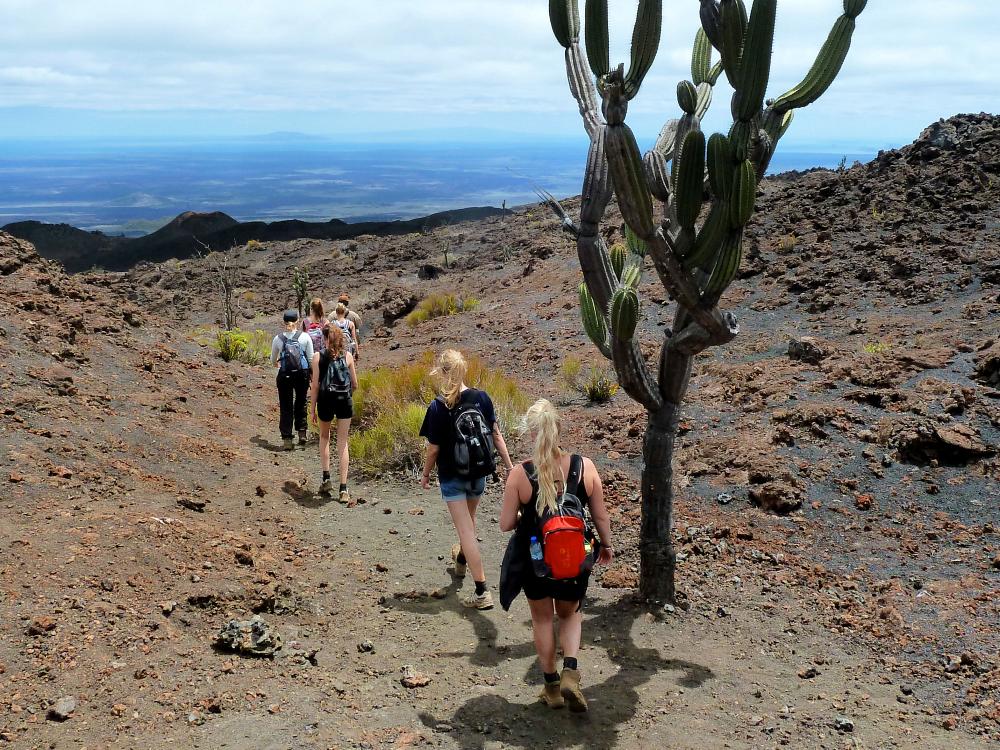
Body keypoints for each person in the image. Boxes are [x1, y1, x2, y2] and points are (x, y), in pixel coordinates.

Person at [499, 399, 613, 713]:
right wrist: (606, 546)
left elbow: (506, 523)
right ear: (558, 428)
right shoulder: (584, 467)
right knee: (570, 614)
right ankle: (571, 674)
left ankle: (551, 686)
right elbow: (601, 517)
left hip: (536, 562)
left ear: (530, 433)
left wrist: (530, 516)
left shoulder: (520, 474)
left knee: (542, 618)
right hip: (575, 560)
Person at [419, 349, 514, 610]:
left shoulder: (438, 406)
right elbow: (496, 436)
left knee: (465, 530)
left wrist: (426, 473)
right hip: (479, 474)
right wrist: (509, 467)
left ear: (443, 372)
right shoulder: (482, 398)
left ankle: (482, 590)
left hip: (452, 476)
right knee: (469, 524)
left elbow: (434, 448)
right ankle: (461, 561)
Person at [310, 324, 358, 502]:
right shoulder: (348, 356)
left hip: (325, 401)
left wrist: (312, 408)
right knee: (343, 442)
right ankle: (344, 489)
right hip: (344, 401)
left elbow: (315, 386)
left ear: (325, 339)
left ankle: (326, 478)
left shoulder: (317, 357)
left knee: (325, 437)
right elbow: (355, 384)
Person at [270, 310, 314, 450]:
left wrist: (280, 366)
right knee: (301, 402)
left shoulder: (278, 339)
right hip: (302, 374)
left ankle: (287, 439)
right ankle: (302, 433)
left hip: (285, 375)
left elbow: (273, 360)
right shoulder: (305, 337)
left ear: (284, 322)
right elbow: (311, 358)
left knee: (285, 405)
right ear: (297, 321)